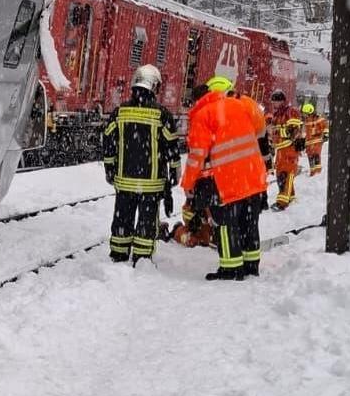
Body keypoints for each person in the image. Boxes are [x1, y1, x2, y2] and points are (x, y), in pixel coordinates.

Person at [181, 76, 269, 281]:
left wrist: (188, 184)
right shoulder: (241, 106)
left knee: (226, 224)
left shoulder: (203, 115)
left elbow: (197, 155)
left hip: (227, 181)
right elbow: (259, 132)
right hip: (253, 176)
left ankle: (231, 269)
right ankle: (250, 265)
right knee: (249, 222)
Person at [101, 64, 180, 266]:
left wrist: (109, 168)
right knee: (146, 222)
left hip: (124, 180)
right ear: (155, 86)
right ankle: (142, 259)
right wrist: (174, 172)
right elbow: (172, 146)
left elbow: (108, 141)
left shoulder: (120, 112)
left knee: (122, 219)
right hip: (151, 183)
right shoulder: (162, 115)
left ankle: (118, 254)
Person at [267, 90, 305, 211]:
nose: (274, 104)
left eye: (275, 101)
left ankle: (282, 202)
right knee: (280, 175)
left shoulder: (290, 112)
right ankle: (291, 197)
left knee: (286, 174)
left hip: (289, 148)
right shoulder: (277, 114)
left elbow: (293, 130)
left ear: (282, 101)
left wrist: (277, 132)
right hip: (281, 149)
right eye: (273, 102)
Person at [301, 102, 328, 176]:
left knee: (316, 155)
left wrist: (326, 134)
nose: (304, 115)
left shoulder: (318, 118)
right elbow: (304, 132)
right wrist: (302, 141)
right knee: (310, 157)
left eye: (305, 113)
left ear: (309, 112)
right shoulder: (306, 121)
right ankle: (313, 173)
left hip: (317, 141)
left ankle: (318, 173)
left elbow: (325, 126)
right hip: (309, 143)